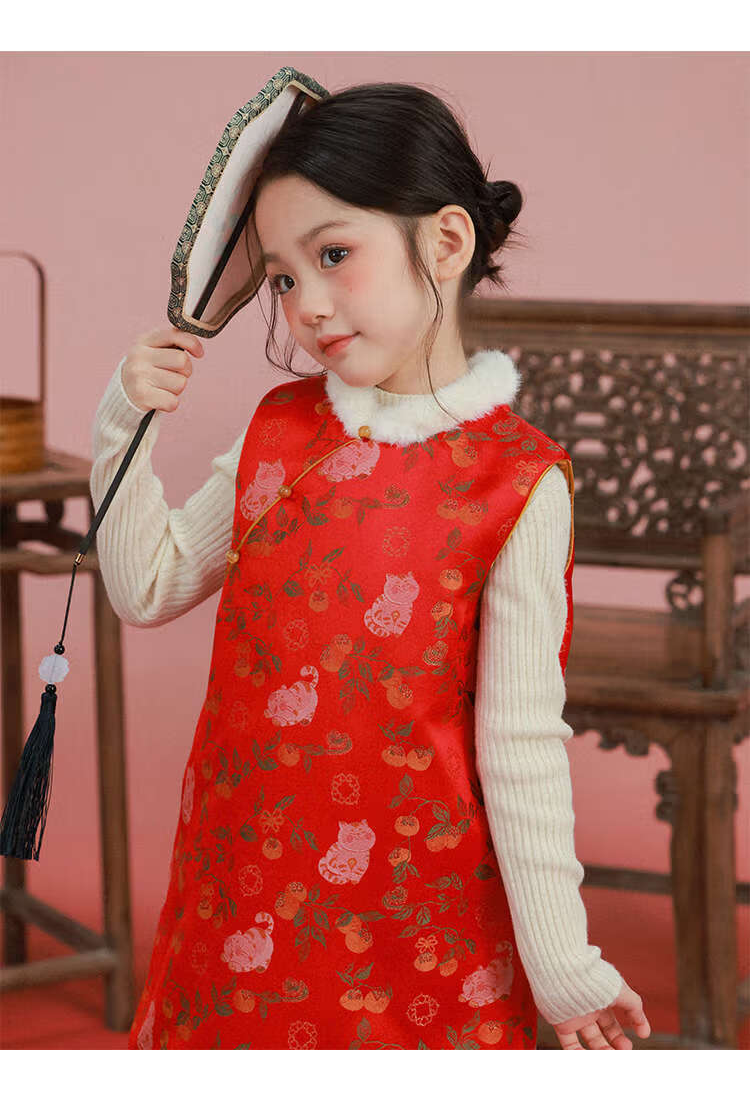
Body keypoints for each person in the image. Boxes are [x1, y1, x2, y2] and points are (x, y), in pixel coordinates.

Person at [91, 78, 651, 1053]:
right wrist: (123, 420)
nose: (306, 305)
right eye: (281, 278)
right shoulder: (280, 432)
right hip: (244, 894)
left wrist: (564, 967)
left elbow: (519, 745)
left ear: (446, 242)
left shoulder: (516, 482)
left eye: (333, 255)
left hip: (422, 920)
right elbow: (146, 585)